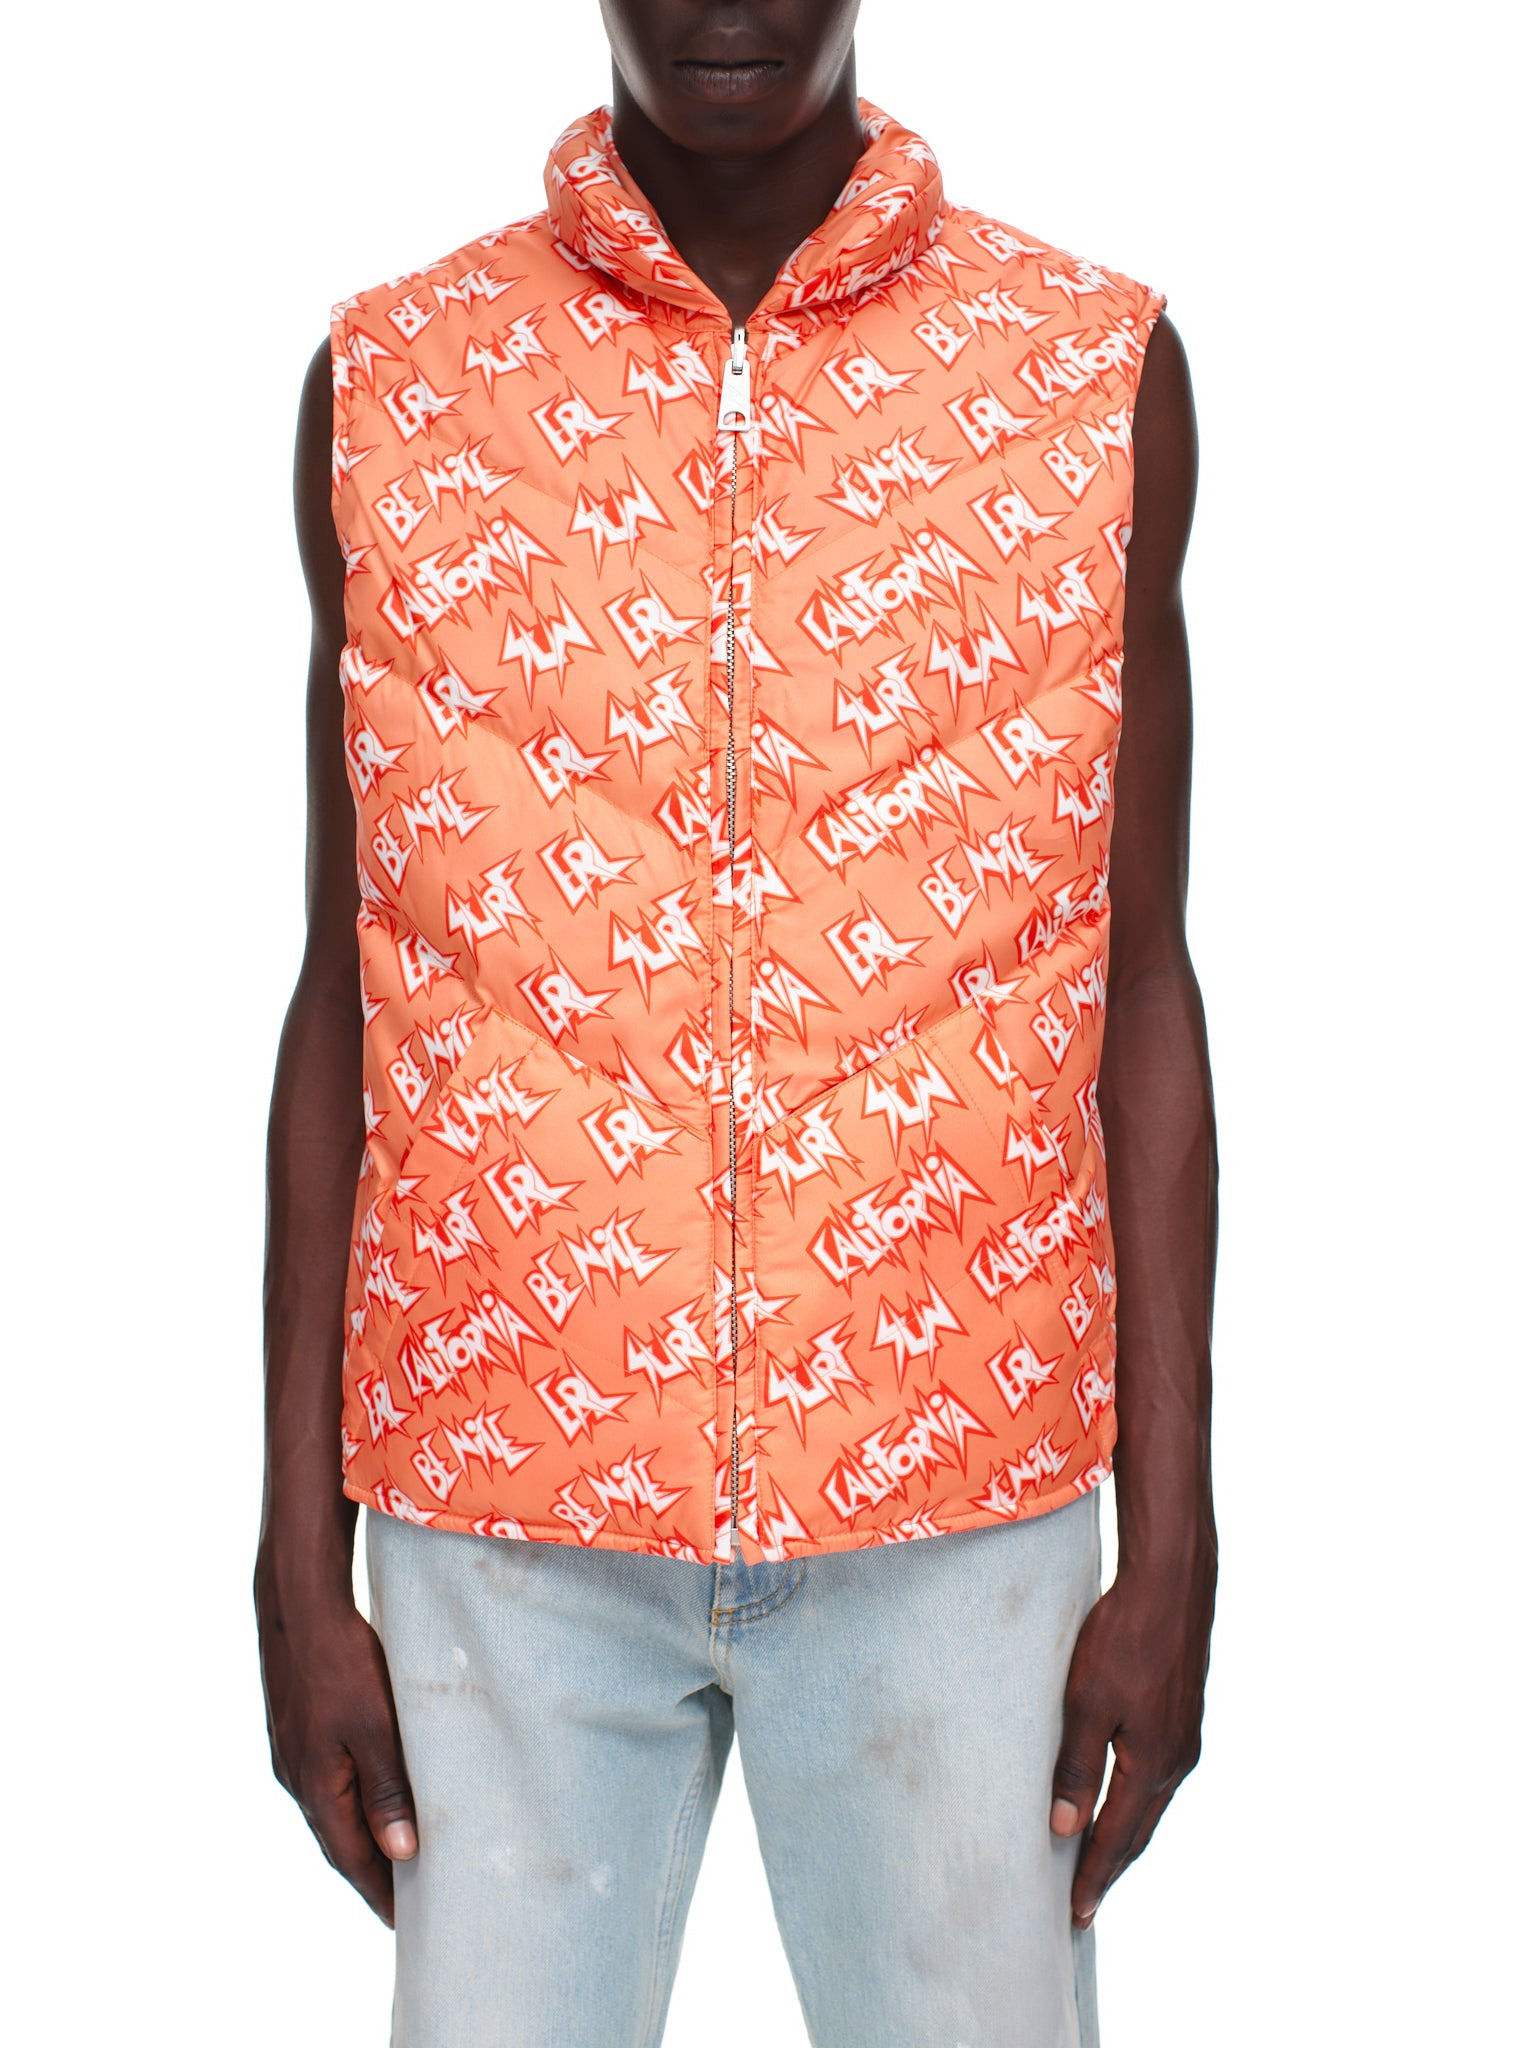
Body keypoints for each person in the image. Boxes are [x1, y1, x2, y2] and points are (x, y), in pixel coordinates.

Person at [255, 3, 1218, 2042]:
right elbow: (343, 983)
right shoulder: (399, 380)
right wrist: (291, 1552)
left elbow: (1144, 979)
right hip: (501, 1509)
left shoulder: (1086, 369)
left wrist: (1177, 1538)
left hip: (956, 1502)